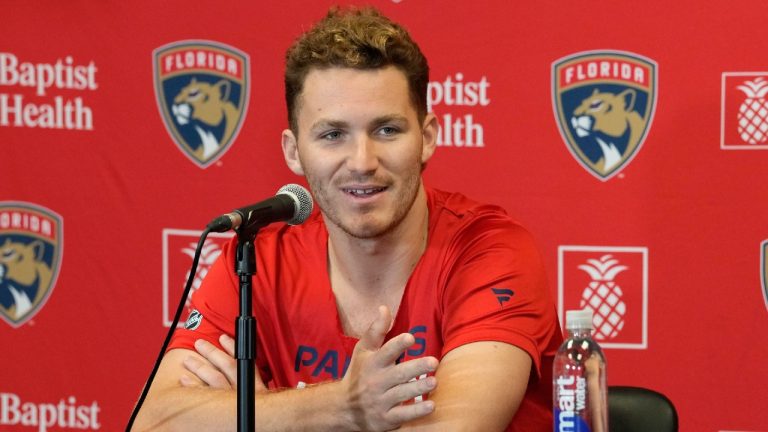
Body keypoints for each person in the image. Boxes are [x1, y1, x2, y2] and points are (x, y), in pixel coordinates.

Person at [133, 6, 562, 431]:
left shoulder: (490, 251)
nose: (362, 162)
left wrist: (260, 416)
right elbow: (152, 422)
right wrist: (338, 407)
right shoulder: (254, 263)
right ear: (293, 151)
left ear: (427, 137)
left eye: (386, 130)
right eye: (333, 134)